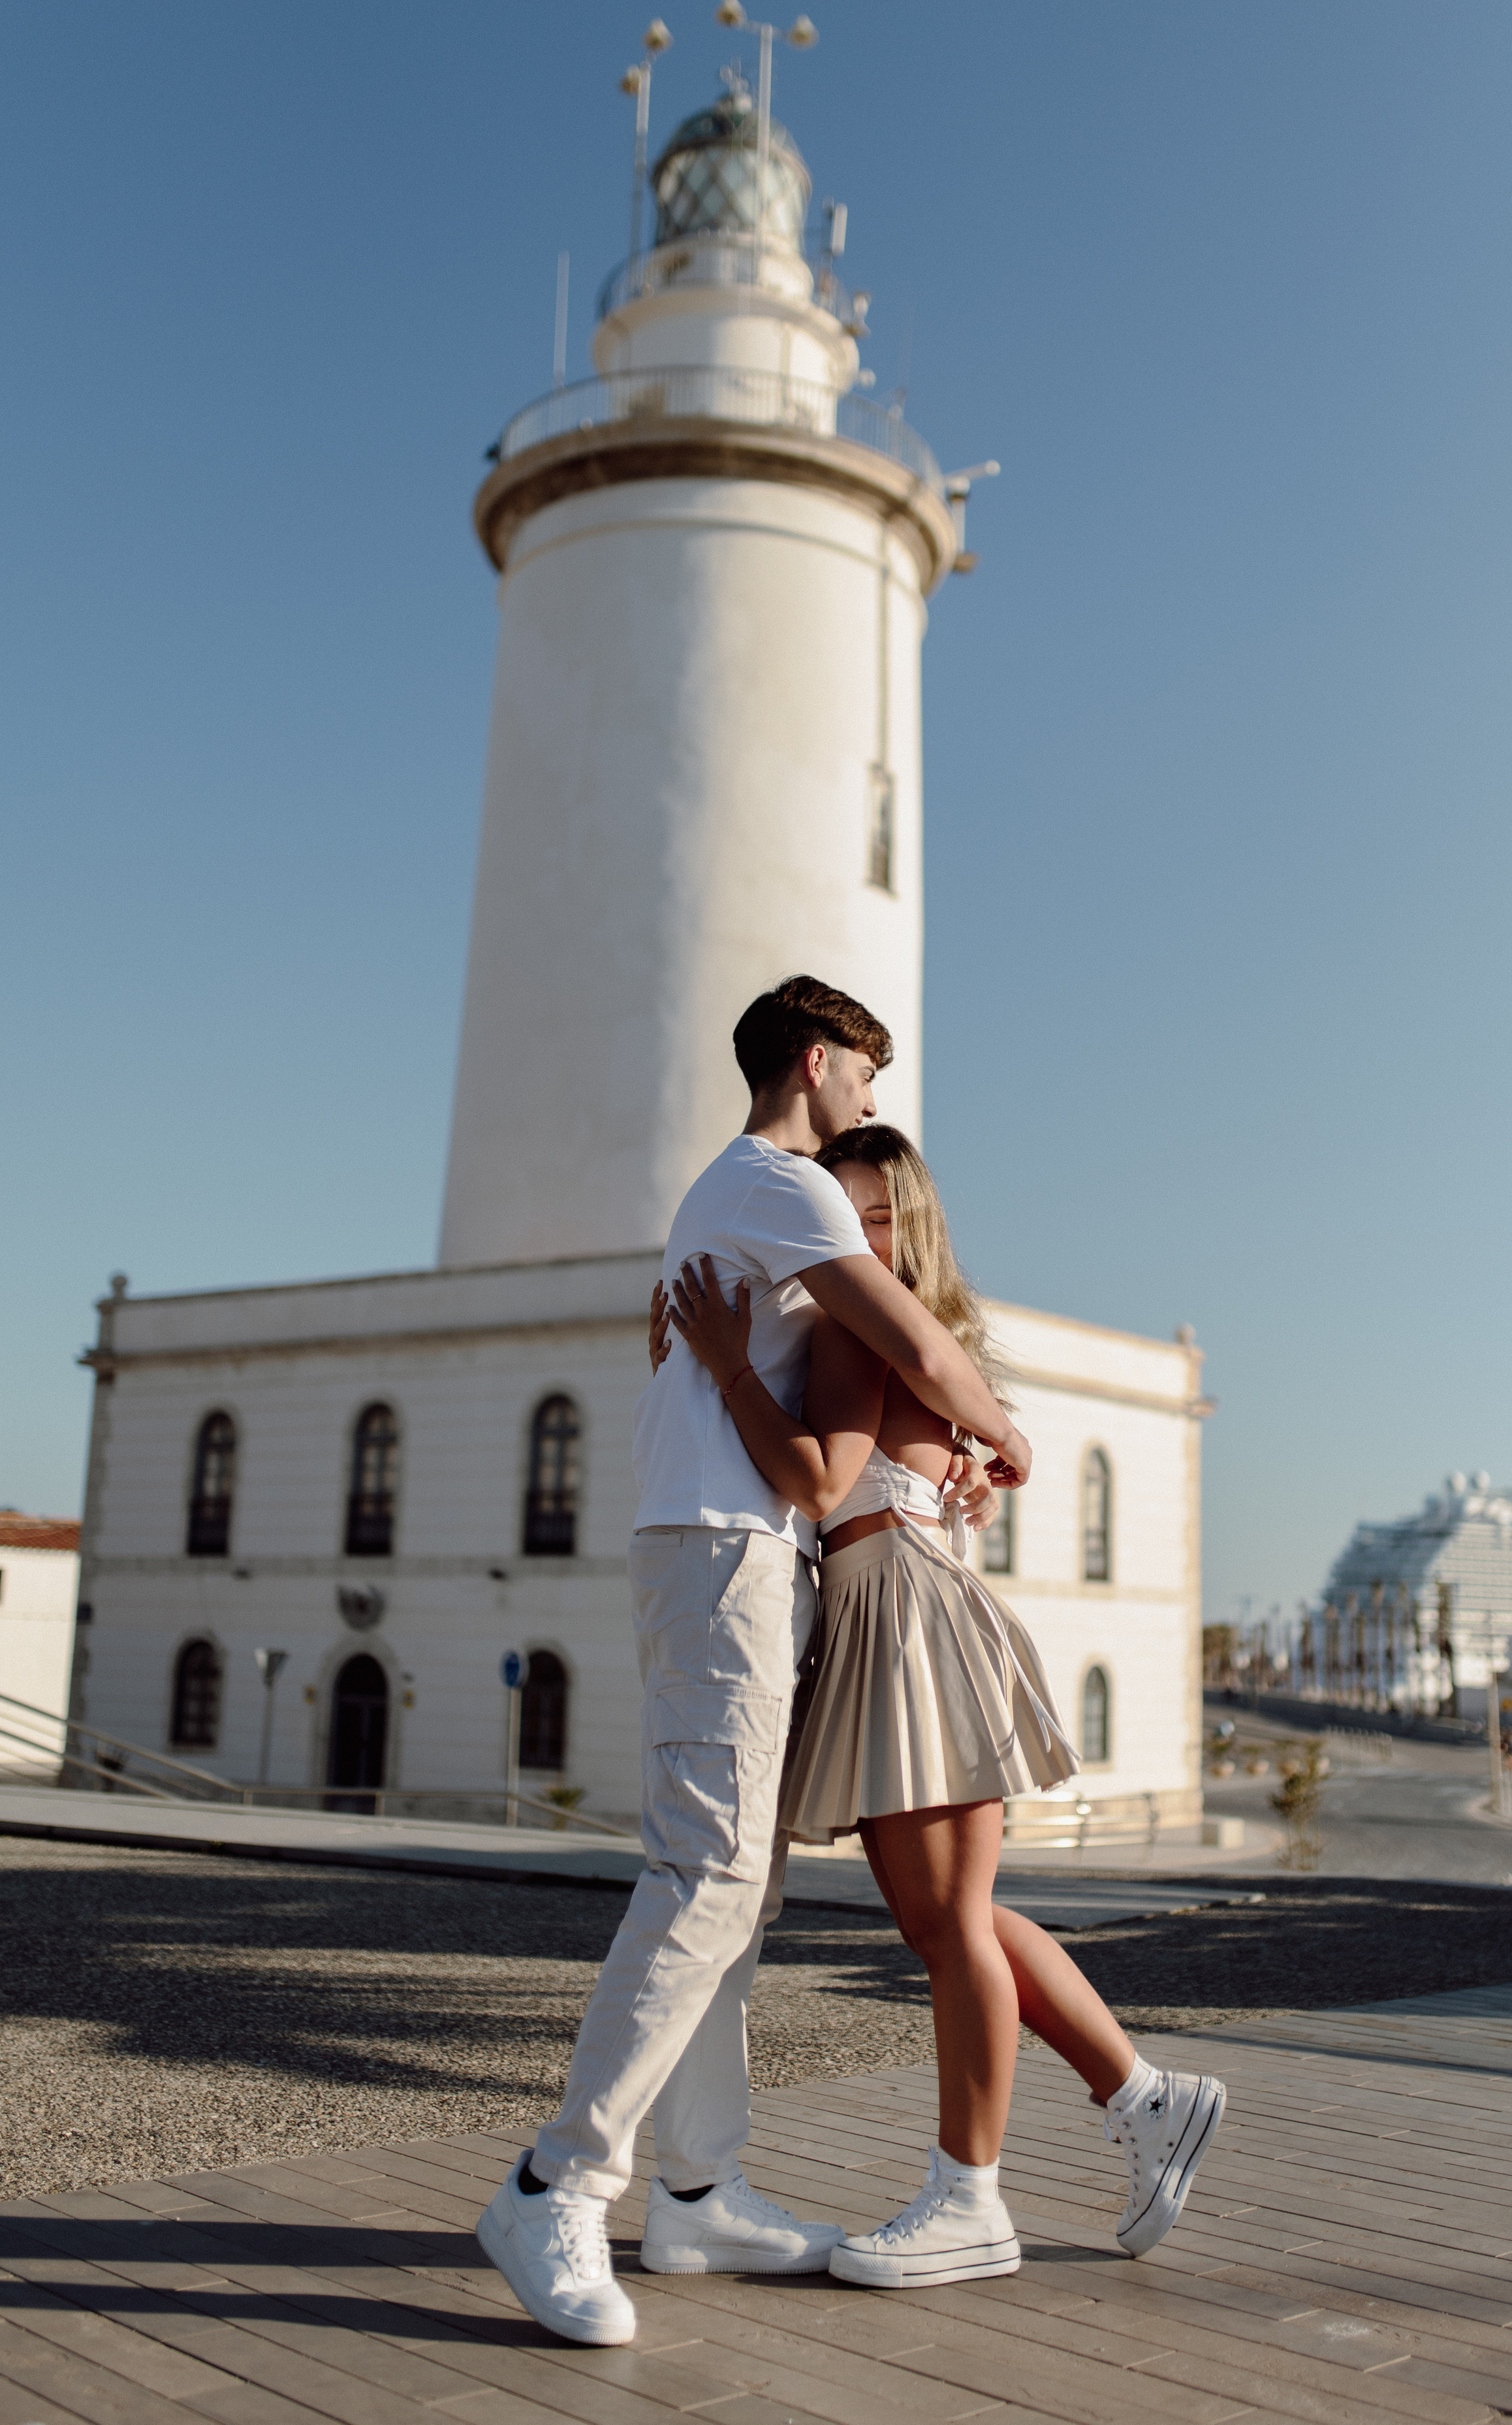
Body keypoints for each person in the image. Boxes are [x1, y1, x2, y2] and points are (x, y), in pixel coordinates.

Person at [477, 980, 1032, 2345]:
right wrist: (1001, 1436)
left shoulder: (735, 1200)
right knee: (705, 1874)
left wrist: (934, 1437)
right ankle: (557, 2185)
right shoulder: (779, 1182)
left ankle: (698, 2190)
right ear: (816, 1059)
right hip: (721, 1551)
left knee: (741, 1887)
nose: (870, 1103)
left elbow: (831, 1375)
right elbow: (907, 1337)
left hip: (737, 1553)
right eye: (865, 1074)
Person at [661, 1122, 1226, 2291]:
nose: (851, 1237)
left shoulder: (858, 1324)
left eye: (876, 1217)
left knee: (950, 1925)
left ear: (909, 1227)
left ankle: (970, 2197)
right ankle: (1144, 2098)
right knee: (955, 1918)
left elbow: (819, 1482)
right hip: (901, 1604)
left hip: (903, 1612)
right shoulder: (911, 1333)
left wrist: (722, 1366)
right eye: (839, 1212)